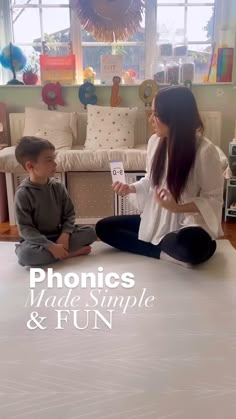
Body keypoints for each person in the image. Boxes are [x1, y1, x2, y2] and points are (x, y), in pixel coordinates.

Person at [96, 86, 224, 267]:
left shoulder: (205, 151)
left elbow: (213, 198)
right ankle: (162, 252)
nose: (150, 119)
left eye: (156, 114)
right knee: (104, 227)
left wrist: (176, 207)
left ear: (174, 117)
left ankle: (172, 248)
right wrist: (131, 188)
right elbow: (151, 180)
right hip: (156, 219)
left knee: (193, 246)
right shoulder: (154, 142)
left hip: (187, 223)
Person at [14, 136, 97, 267]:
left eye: (54, 159)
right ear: (30, 166)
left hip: (59, 235)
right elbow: (26, 229)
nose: (55, 164)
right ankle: (69, 253)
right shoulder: (23, 194)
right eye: (49, 160)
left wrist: (65, 235)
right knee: (26, 255)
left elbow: (69, 214)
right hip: (38, 242)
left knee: (91, 232)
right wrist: (51, 246)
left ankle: (60, 252)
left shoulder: (58, 187)